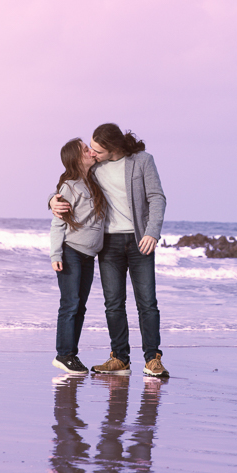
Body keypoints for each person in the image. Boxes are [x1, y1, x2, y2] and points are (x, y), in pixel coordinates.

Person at [50, 123, 168, 378]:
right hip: (109, 244)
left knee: (147, 303)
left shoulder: (143, 161)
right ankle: (119, 359)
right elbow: (68, 182)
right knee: (113, 304)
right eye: (89, 149)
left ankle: (153, 359)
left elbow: (157, 197)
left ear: (112, 149)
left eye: (97, 150)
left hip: (140, 240)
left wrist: (152, 232)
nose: (92, 153)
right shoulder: (95, 167)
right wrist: (51, 200)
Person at [50, 138, 106, 373]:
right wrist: (55, 254)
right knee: (70, 304)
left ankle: (72, 354)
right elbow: (57, 223)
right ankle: (64, 354)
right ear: (77, 158)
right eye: (86, 149)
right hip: (71, 252)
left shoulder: (94, 181)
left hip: (88, 255)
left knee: (80, 306)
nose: (91, 151)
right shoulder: (69, 186)